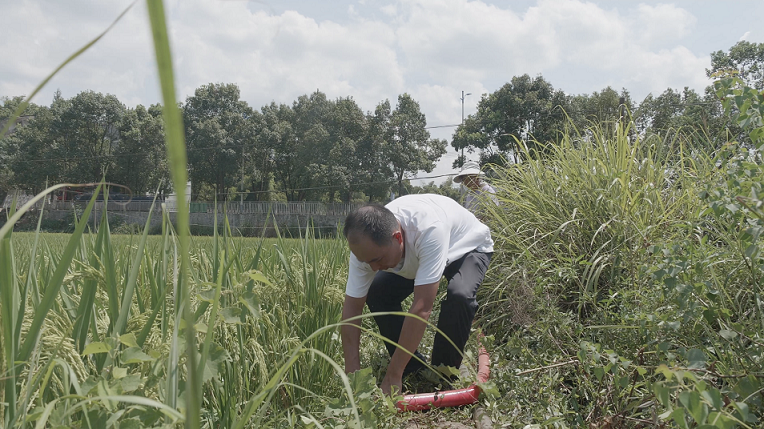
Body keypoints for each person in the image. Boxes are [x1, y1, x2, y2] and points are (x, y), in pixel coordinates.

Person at [340, 193, 494, 395]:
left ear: (397, 237)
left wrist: (392, 374)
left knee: (459, 295)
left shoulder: (428, 229)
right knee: (376, 292)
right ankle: (412, 366)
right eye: (367, 262)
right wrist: (353, 376)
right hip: (418, 255)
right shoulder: (366, 250)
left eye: (378, 259)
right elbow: (352, 310)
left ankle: (443, 371)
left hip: (466, 247)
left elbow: (422, 308)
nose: (374, 268)